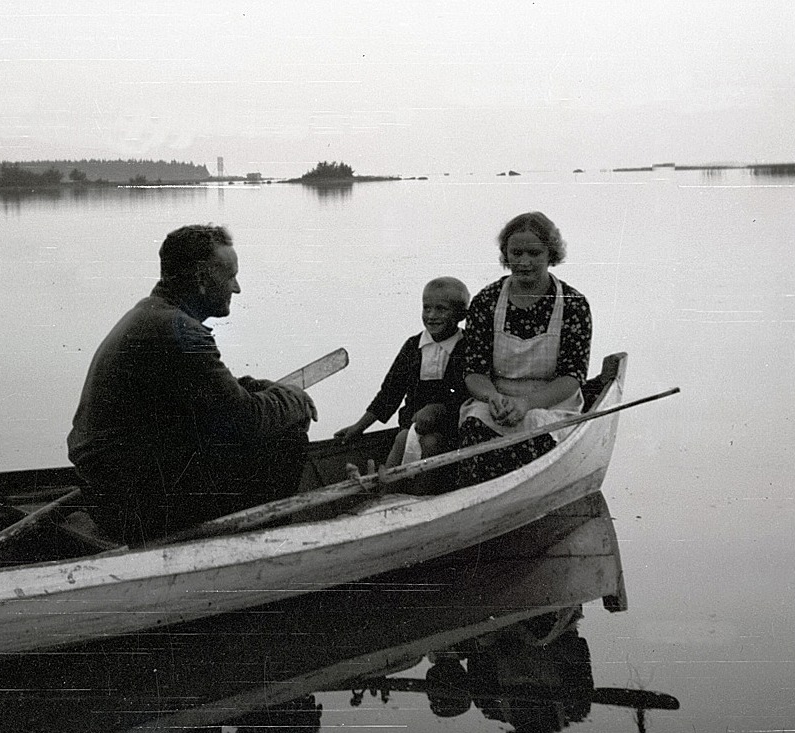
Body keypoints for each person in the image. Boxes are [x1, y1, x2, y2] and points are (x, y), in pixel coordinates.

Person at [67, 224, 318, 545]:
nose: (237, 288)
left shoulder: (151, 315)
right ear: (201, 278)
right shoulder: (181, 332)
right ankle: (262, 548)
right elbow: (245, 420)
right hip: (134, 509)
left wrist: (258, 387)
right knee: (287, 434)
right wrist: (295, 400)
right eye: (230, 276)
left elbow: (204, 395)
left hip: (106, 495)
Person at [456, 212, 592, 487]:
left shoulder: (573, 304)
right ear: (505, 254)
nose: (524, 261)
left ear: (550, 254)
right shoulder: (487, 301)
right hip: (497, 401)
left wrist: (527, 404)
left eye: (534, 253)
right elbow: (474, 372)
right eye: (516, 253)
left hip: (553, 404)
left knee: (535, 432)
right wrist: (493, 397)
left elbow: (572, 376)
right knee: (474, 425)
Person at [334, 277, 470, 490]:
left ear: (461, 314)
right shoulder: (413, 347)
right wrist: (359, 427)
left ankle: (419, 497)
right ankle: (386, 494)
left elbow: (466, 392)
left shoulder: (466, 347)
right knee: (402, 438)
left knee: (431, 443)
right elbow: (390, 393)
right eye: (427, 308)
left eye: (441, 309)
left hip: (450, 429)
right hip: (412, 426)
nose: (432, 315)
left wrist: (440, 409)